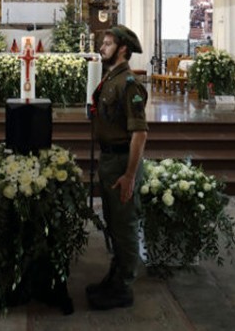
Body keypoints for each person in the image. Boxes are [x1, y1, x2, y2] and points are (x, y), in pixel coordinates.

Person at [86, 25, 149, 310]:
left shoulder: (129, 84)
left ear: (122, 48)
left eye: (108, 43)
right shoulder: (111, 79)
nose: (102, 47)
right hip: (110, 160)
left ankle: (124, 286)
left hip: (123, 161)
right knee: (114, 222)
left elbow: (139, 133)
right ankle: (115, 275)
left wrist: (129, 175)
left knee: (124, 227)